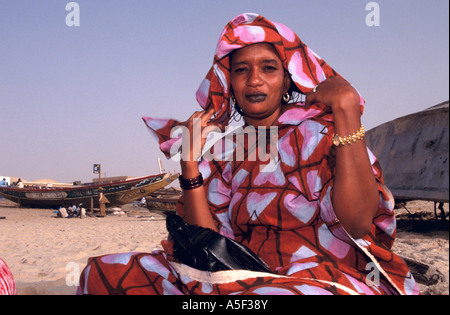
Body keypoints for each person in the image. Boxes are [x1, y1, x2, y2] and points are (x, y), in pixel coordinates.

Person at [79, 13, 418, 295]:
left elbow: (358, 224)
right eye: (242, 70)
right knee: (101, 273)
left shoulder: (324, 133)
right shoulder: (227, 152)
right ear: (229, 83)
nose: (254, 80)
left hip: (320, 273)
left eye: (268, 68)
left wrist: (346, 112)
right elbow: (206, 243)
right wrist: (190, 164)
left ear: (288, 81)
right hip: (234, 271)